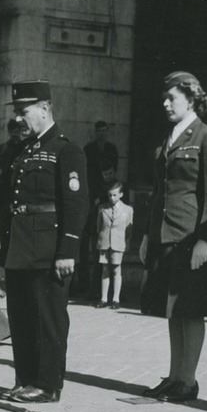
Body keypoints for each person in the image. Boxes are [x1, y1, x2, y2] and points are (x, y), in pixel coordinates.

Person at [0, 80, 89, 404]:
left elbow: (76, 205)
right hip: (19, 247)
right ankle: (25, 380)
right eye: (17, 112)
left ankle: (48, 385)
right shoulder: (20, 151)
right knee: (21, 318)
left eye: (24, 112)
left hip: (50, 250)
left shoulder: (67, 150)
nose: (19, 119)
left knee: (49, 320)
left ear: (45, 109)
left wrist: (67, 252)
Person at [138, 71, 207, 402]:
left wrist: (206, 240)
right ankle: (175, 376)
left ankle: (188, 381)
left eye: (171, 98)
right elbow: (159, 193)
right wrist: (148, 236)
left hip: (191, 238)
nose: (165, 103)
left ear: (190, 100)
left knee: (190, 310)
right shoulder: (168, 138)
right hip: (165, 236)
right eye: (164, 98)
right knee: (173, 310)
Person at [79, 119, 119, 299]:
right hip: (92, 198)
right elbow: (87, 174)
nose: (101, 134)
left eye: (104, 130)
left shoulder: (111, 149)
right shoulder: (89, 150)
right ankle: (84, 284)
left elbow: (112, 174)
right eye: (99, 131)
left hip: (106, 199)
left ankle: (103, 289)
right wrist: (93, 195)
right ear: (96, 132)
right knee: (87, 243)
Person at [96, 180, 134, 309]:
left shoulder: (128, 210)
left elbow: (129, 229)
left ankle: (116, 299)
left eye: (114, 195)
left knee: (117, 270)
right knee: (105, 270)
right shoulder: (102, 208)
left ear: (121, 195)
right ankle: (103, 298)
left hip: (118, 242)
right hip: (104, 242)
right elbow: (98, 226)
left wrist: (124, 241)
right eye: (110, 195)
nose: (112, 198)